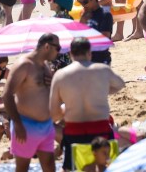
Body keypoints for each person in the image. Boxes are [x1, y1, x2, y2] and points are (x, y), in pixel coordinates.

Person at [50, 37, 125, 172]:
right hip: (101, 130)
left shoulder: (60, 75)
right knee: (106, 166)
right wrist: (102, 90)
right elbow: (120, 84)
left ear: (70, 54)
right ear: (89, 53)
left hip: (74, 132)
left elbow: (54, 114)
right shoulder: (102, 70)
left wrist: (65, 110)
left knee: (70, 168)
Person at [2, 33, 61, 172]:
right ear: (47, 46)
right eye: (57, 48)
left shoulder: (46, 66)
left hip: (46, 125)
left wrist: (52, 83)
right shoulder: (24, 65)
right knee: (22, 168)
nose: (59, 51)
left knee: (49, 166)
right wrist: (17, 123)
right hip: (26, 124)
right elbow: (7, 94)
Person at [75, 0, 113, 64]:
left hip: (101, 58)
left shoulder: (105, 14)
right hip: (87, 58)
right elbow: (78, 36)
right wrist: (82, 21)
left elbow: (104, 38)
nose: (83, 5)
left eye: (85, 2)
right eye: (80, 2)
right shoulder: (85, 14)